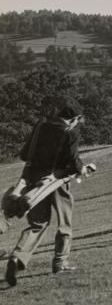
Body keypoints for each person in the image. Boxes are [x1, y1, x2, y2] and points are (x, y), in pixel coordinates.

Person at [5, 102, 89, 286]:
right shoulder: (70, 132)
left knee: (37, 223)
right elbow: (74, 162)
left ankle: (17, 257)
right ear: (74, 119)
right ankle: (60, 262)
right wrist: (82, 169)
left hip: (32, 180)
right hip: (56, 181)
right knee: (64, 221)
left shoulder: (40, 126)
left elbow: (24, 154)